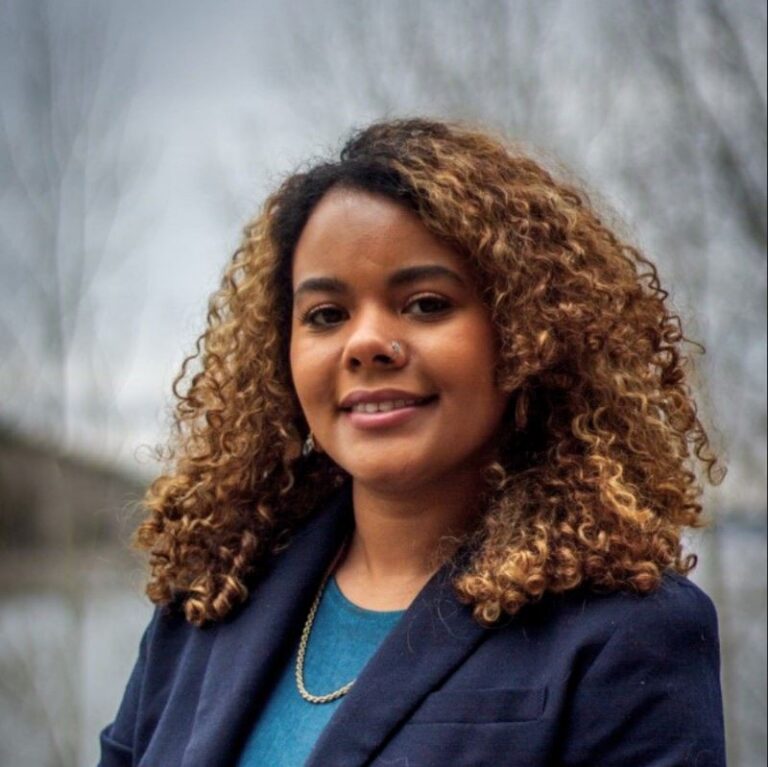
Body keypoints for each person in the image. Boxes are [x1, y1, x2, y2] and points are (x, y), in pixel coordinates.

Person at [99, 118, 727, 767]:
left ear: (526, 334)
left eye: (426, 303)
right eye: (326, 315)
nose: (365, 342)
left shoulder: (627, 631)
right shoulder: (214, 592)